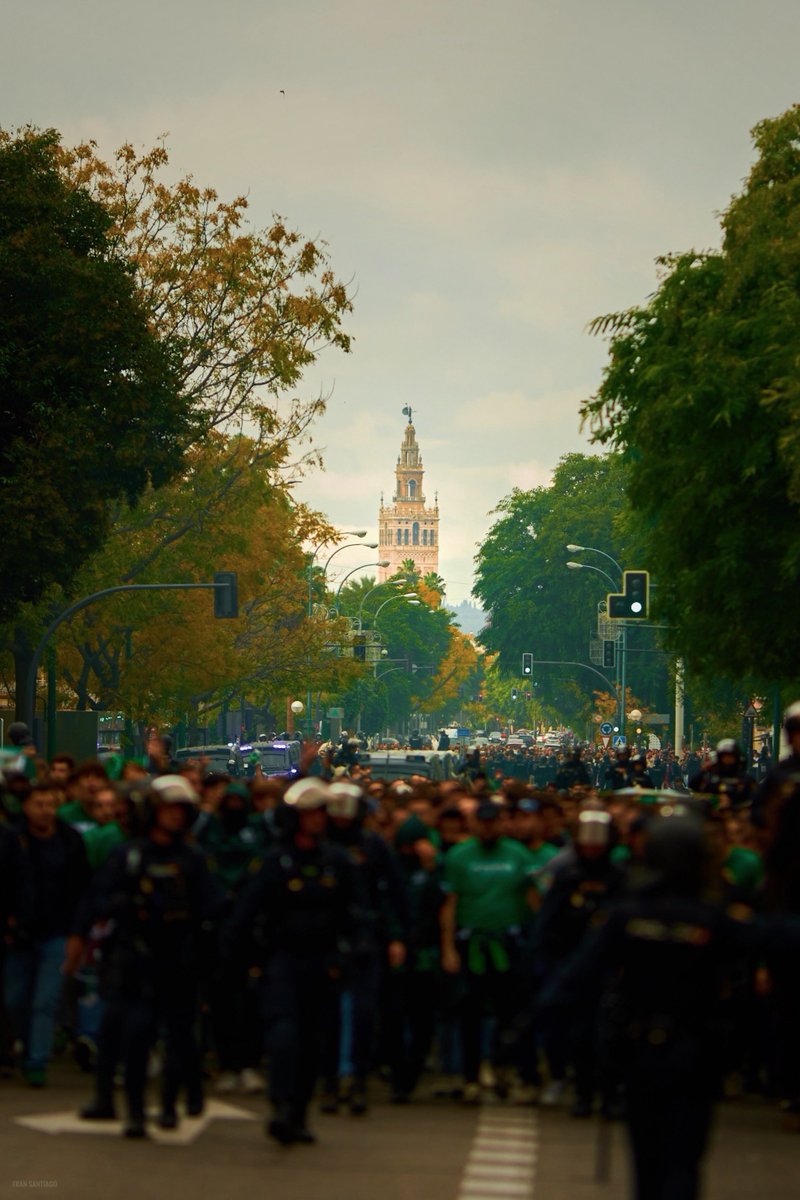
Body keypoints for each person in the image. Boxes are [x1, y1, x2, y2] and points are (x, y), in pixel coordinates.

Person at [539, 809, 800, 1200]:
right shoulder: (713, 917)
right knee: (683, 1163)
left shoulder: (628, 916)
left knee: (647, 1162)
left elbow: (574, 979)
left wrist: (532, 1023)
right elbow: (776, 936)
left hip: (641, 1049)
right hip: (696, 1052)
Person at [70, 775, 223, 1137]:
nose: (174, 816)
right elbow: (95, 899)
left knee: (180, 1037)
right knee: (135, 1035)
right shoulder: (130, 855)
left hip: (180, 958)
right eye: (168, 809)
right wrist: (88, 933)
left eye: (180, 810)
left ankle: (170, 1105)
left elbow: (212, 907)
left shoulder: (192, 858)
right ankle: (135, 1112)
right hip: (135, 957)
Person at [224, 778, 358, 1146]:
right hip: (281, 960)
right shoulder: (274, 861)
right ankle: (281, 1105)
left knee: (313, 1041)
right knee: (284, 1035)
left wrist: (348, 954)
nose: (318, 819)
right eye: (310, 813)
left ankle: (299, 1113)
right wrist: (240, 960)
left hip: (323, 961)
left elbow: (353, 912)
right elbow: (246, 913)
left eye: (321, 813)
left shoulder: (336, 861)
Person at [440, 799, 537, 1102]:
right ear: (474, 824)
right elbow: (449, 904)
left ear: (501, 823)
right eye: (482, 822)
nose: (487, 828)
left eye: (492, 822)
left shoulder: (518, 854)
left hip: (509, 943)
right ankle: (470, 1076)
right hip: (473, 945)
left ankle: (502, 1068)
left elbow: (533, 898)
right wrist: (448, 949)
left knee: (509, 1012)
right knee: (470, 1013)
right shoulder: (459, 855)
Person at [3, 780, 90, 1085]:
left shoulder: (69, 840)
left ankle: (36, 1060)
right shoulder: (12, 840)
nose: (45, 811)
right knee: (14, 999)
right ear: (26, 807)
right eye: (38, 804)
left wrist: (78, 931)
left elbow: (82, 887)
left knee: (45, 1000)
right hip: (20, 932)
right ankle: (25, 1045)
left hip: (58, 932)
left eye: (50, 804)